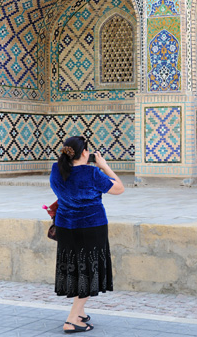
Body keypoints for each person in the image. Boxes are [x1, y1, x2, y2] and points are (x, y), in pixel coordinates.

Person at [49, 136, 124, 333]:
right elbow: (119, 188)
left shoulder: (56, 170)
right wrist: (105, 166)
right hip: (91, 228)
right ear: (85, 153)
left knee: (76, 270)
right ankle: (72, 320)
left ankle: (79, 312)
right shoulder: (92, 173)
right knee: (90, 271)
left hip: (66, 226)